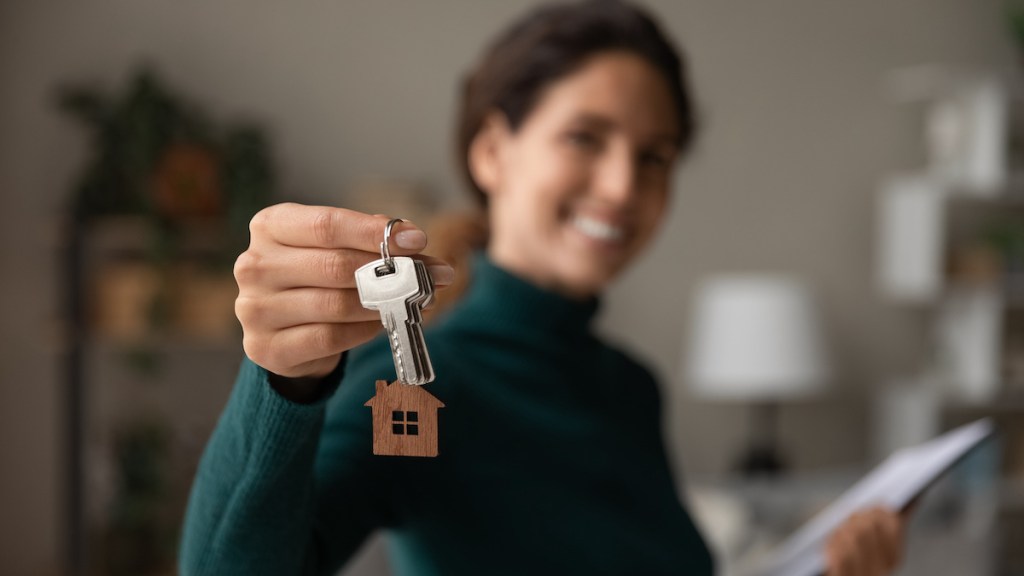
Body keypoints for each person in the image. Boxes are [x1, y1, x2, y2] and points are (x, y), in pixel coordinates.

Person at [180, 2, 907, 575]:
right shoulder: (417, 385)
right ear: (493, 151)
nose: (624, 187)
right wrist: (285, 381)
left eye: (654, 157)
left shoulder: (629, 387)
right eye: (586, 138)